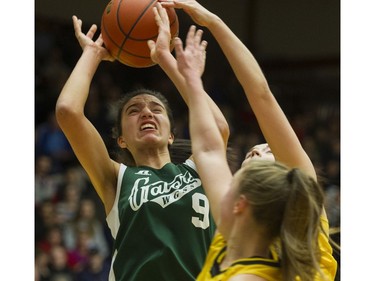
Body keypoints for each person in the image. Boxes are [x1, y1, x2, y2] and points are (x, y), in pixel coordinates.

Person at [154, 1, 337, 280]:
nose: (258, 148)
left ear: (240, 202)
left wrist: (214, 23)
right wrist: (175, 64)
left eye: (266, 151)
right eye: (252, 151)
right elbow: (208, 150)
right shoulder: (234, 231)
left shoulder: (294, 232)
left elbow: (260, 97)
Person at [55, 10, 229, 281]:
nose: (147, 113)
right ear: (121, 139)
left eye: (156, 109)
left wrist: (165, 59)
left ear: (171, 134)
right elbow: (68, 111)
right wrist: (93, 52)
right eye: (134, 110)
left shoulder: (199, 170)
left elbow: (218, 128)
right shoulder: (117, 178)